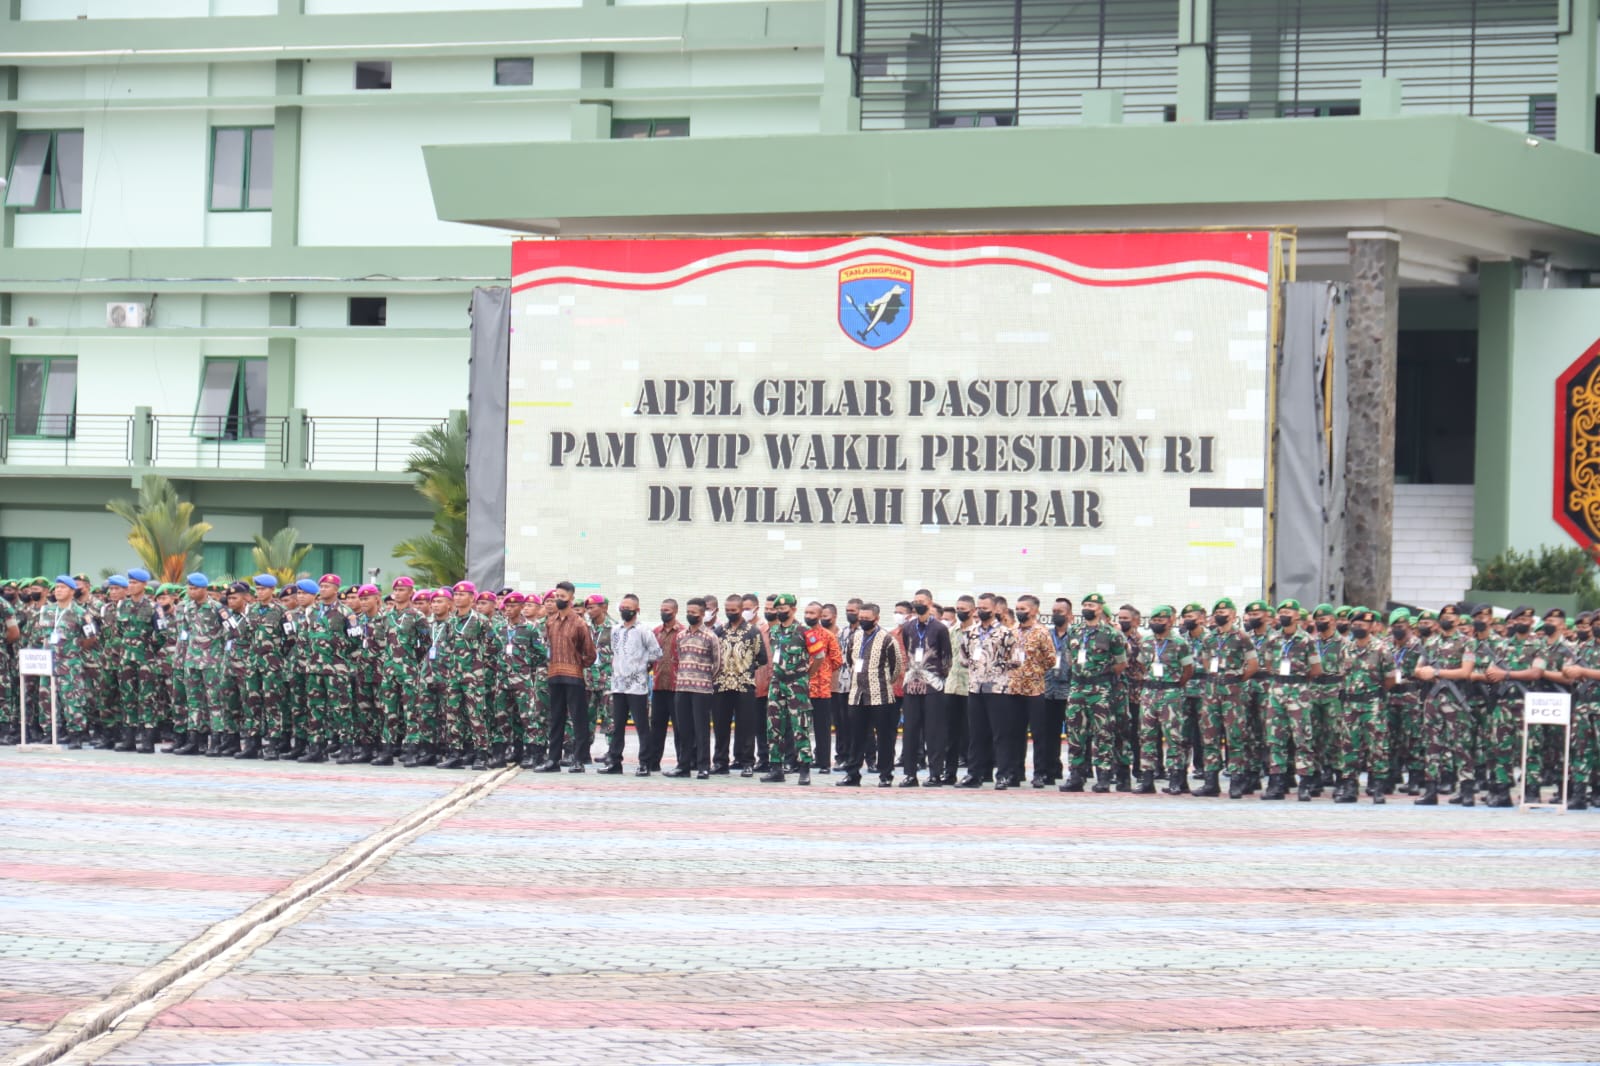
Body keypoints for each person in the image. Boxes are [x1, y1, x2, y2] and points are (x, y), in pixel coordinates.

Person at [1259, 599, 1324, 801]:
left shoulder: (1307, 640)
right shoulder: (1272, 638)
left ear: (1297, 616)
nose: (1284, 615)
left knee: (1302, 738)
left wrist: (1298, 680)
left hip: (1298, 692)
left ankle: (1305, 783)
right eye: (1281, 612)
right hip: (1277, 689)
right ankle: (1276, 783)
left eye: (1288, 612)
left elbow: (1316, 669)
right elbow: (1268, 664)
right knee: (1275, 738)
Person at [1064, 593, 1127, 793]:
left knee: (1103, 733)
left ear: (1100, 608)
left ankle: (1104, 776)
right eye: (1085, 605)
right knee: (1075, 732)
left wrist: (1100, 675)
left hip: (1100, 689)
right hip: (1077, 688)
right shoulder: (1074, 631)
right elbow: (1069, 658)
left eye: (1091, 605)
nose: (1087, 608)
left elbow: (1121, 663)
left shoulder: (1111, 634)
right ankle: (1076, 775)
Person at [536, 581, 597, 773]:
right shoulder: (550, 621)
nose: (558, 599)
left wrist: (577, 665)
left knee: (578, 719)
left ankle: (579, 759)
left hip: (574, 677)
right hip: (554, 674)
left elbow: (590, 653)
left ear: (571, 598)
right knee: (556, 718)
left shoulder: (579, 623)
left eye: (562, 596)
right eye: (556, 596)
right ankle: (553, 760)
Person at [1334, 608, 1392, 804]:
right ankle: (1350, 786)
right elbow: (1342, 674)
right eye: (1355, 625)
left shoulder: (1381, 649)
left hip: (1372, 703)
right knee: (1349, 745)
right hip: (1350, 704)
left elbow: (1390, 678)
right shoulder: (1346, 649)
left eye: (1362, 625)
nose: (1358, 628)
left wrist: (1375, 692)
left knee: (1377, 745)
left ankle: (1378, 786)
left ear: (1372, 626)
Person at [959, 593, 1016, 789]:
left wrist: (997, 666)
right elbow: (963, 658)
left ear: (994, 610)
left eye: (986, 608)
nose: (982, 611)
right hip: (976, 688)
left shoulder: (1005, 633)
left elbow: (1017, 659)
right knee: (976, 734)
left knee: (1000, 734)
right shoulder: (970, 632)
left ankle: (1003, 775)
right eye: (979, 608)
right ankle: (974, 774)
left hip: (998, 688)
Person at [898, 588, 950, 787]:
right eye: (915, 601)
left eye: (921, 601)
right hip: (911, 684)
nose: (918, 604)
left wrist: (939, 676)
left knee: (934, 731)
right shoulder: (908, 627)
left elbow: (946, 658)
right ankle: (910, 774)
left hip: (933, 685)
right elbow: (907, 649)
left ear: (930, 603)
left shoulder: (939, 628)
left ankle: (935, 773)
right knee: (910, 731)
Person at [762, 593, 814, 785]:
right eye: (778, 609)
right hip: (777, 683)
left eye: (783, 609)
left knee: (800, 726)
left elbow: (818, 657)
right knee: (773, 725)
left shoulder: (804, 631)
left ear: (793, 609)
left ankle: (804, 769)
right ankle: (776, 768)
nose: (780, 612)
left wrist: (805, 675)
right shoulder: (775, 631)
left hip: (796, 683)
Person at [1006, 595, 1055, 791]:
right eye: (1017, 608)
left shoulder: (1041, 632)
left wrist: (1034, 670)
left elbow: (1050, 659)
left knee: (1038, 734)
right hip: (1014, 688)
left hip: (1034, 689)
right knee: (1014, 733)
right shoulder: (1011, 631)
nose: (1019, 612)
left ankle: (1039, 773)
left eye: (1023, 609)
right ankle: (1015, 772)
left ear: (1034, 611)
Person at [607, 593, 661, 775]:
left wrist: (642, 665)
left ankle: (645, 763)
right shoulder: (615, 630)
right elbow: (614, 652)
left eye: (628, 608)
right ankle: (615, 761)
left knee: (641, 725)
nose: (625, 611)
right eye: (622, 608)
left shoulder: (643, 630)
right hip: (618, 684)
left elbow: (656, 652)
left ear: (637, 610)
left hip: (637, 686)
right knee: (617, 725)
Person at [239, 574, 289, 761]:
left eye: (263, 589)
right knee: (251, 703)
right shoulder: (251, 610)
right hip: (253, 664)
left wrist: (276, 656)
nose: (259, 592)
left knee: (272, 704)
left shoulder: (281, 611)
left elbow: (290, 638)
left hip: (272, 665)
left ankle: (273, 744)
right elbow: (244, 635)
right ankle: (253, 743)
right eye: (257, 589)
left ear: (272, 590)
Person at [672, 597, 723, 778]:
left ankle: (703, 767)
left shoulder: (711, 636)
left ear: (702, 614)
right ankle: (683, 766)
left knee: (701, 730)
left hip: (702, 690)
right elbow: (678, 659)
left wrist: (705, 679)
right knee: (683, 729)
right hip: (682, 688)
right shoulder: (681, 636)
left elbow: (718, 664)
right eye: (688, 612)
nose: (690, 615)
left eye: (693, 612)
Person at [644, 599, 684, 774]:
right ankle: (653, 762)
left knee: (680, 727)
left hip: (677, 687)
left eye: (667, 610)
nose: (664, 613)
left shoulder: (683, 632)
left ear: (675, 611)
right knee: (656, 726)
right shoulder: (655, 633)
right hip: (659, 685)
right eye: (662, 610)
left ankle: (683, 762)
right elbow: (649, 657)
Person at [805, 600, 844, 776]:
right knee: (800, 727)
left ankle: (823, 762)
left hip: (821, 689)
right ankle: (802, 759)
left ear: (820, 616)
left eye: (812, 613)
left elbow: (837, 660)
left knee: (822, 728)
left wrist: (824, 671)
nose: (808, 616)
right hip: (800, 688)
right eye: (806, 613)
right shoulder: (800, 634)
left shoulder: (828, 635)